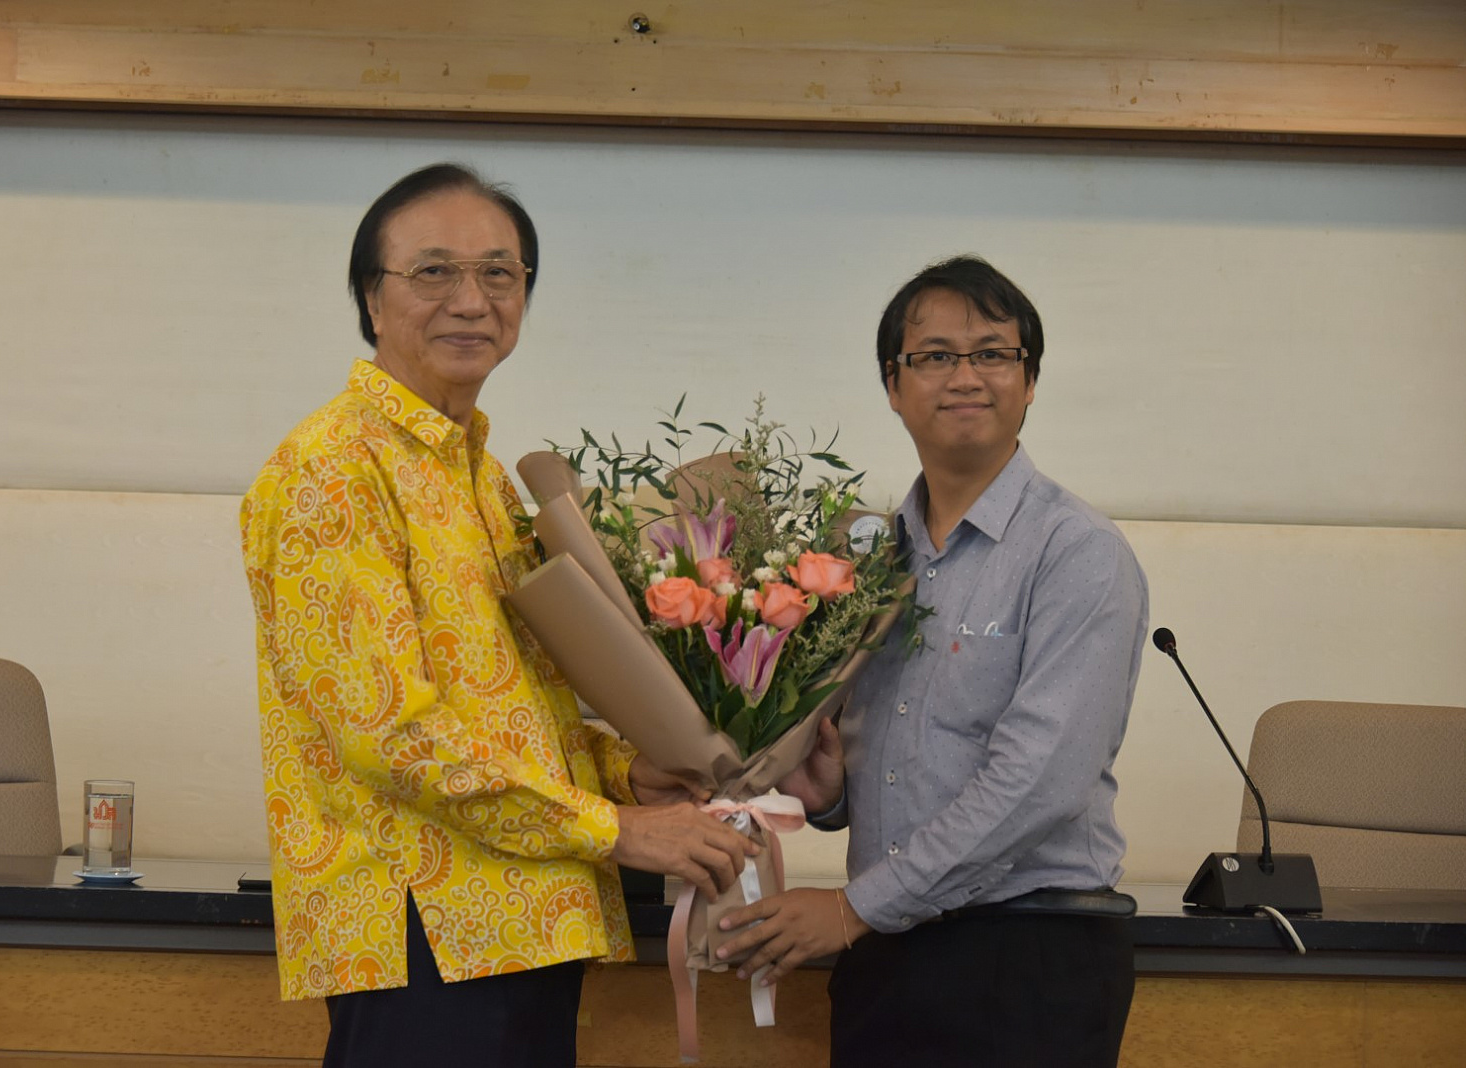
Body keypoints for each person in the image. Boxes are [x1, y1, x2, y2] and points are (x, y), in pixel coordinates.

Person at [241, 162, 755, 1068]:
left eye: (499, 273)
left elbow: (519, 708)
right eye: (433, 271)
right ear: (371, 299)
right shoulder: (335, 470)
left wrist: (630, 774)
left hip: (521, 923)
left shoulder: (478, 474)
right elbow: (392, 737)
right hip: (424, 931)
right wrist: (617, 828)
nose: (471, 300)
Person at [716, 255, 1149, 1067]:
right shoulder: (868, 557)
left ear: (1029, 380)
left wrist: (853, 909)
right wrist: (831, 792)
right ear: (893, 383)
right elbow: (896, 757)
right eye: (936, 356)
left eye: (993, 354)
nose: (966, 376)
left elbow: (1041, 782)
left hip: (1030, 956)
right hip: (890, 954)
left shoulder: (1077, 552)